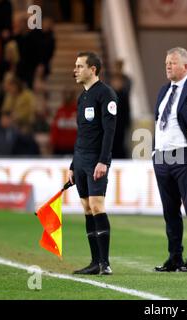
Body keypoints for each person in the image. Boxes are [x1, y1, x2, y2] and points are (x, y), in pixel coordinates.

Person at [153, 47, 187, 273]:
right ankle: (174, 257)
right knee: (170, 211)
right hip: (162, 157)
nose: (167, 65)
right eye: (166, 62)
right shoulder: (164, 90)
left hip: (185, 155)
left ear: (186, 66)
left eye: (172, 62)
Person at [67, 52, 117, 275]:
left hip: (96, 160)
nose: (75, 70)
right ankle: (95, 262)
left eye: (79, 66)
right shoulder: (82, 97)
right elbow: (82, 133)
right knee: (87, 208)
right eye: (75, 66)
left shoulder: (106, 94)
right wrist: (72, 165)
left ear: (93, 70)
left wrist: (103, 161)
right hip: (80, 159)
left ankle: (105, 263)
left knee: (97, 205)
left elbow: (109, 131)